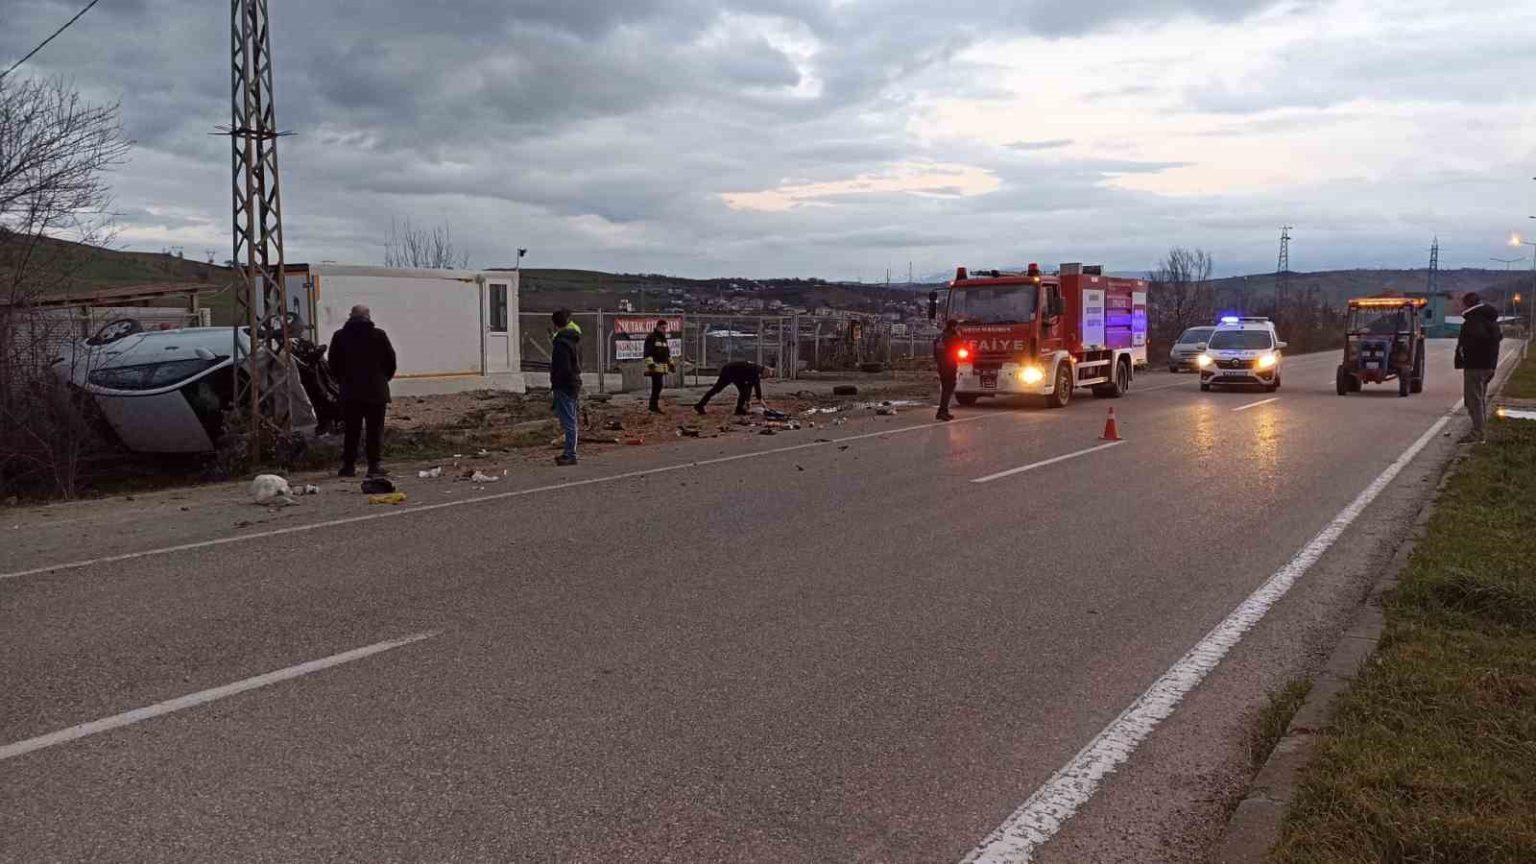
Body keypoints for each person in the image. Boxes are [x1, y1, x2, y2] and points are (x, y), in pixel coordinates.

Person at [327, 304, 397, 478]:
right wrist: (382, 379)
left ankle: (349, 466)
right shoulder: (379, 335)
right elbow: (391, 362)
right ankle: (374, 465)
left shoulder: (339, 336)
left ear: (350, 315)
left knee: (351, 431)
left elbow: (332, 364)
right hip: (376, 392)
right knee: (374, 431)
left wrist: (342, 381)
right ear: (368, 316)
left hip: (350, 392)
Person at [1454, 292, 1502, 444]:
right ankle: (1480, 431)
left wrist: (1464, 353)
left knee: (1473, 401)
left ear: (1467, 304)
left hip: (1475, 366)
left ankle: (1478, 434)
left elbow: (1475, 341)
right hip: (1488, 366)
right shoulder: (1490, 319)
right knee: (1479, 399)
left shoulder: (1474, 321)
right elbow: (1495, 340)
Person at [550, 309, 583, 466]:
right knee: (570, 419)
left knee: (569, 421)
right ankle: (569, 452)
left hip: (565, 385)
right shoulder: (573, 340)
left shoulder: (561, 343)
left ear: (556, 325)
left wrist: (557, 382)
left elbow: (563, 367)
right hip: (572, 383)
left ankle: (570, 454)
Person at [695, 360, 765, 416]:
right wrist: (759, 399)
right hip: (729, 371)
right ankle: (700, 405)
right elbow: (756, 386)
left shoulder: (756, 370)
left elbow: (751, 386)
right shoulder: (755, 371)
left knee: (743, 390)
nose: (766, 377)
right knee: (717, 389)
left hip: (734, 373)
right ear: (765, 371)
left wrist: (748, 401)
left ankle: (739, 409)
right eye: (767, 376)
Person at [934, 319, 962, 421]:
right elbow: (959, 347)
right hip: (949, 366)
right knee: (948, 389)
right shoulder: (951, 338)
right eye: (957, 327)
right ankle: (942, 412)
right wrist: (958, 337)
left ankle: (943, 411)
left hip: (941, 366)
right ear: (953, 327)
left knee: (945, 389)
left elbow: (935, 353)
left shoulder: (939, 337)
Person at [643, 319, 671, 414]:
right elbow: (647, 353)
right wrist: (651, 364)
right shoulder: (652, 337)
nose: (664, 330)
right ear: (658, 327)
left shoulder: (663, 338)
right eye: (663, 328)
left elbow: (667, 353)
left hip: (661, 367)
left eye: (665, 328)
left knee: (658, 386)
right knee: (657, 386)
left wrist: (670, 363)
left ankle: (653, 406)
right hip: (655, 366)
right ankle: (653, 406)